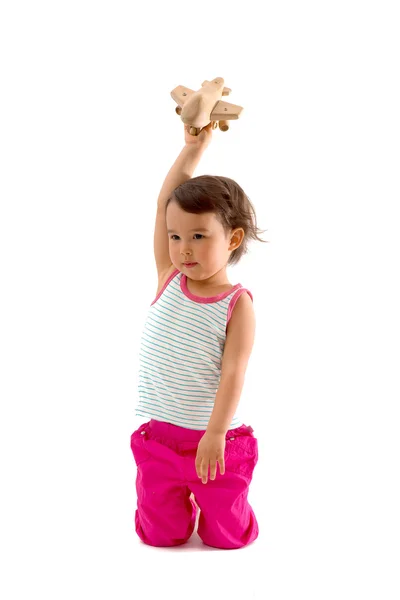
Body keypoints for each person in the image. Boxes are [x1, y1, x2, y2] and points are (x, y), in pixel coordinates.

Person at [130, 121, 268, 549]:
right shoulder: (169, 277)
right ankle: (175, 507)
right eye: (176, 236)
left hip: (217, 442)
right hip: (162, 442)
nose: (183, 248)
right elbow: (162, 205)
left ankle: (225, 505)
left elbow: (233, 375)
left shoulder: (236, 303)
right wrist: (192, 149)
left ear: (233, 239)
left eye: (198, 236)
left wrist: (214, 434)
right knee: (160, 536)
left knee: (227, 538)